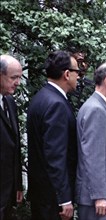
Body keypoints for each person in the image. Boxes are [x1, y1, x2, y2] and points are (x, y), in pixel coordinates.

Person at [27, 50, 80, 219]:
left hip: (42, 192)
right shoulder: (56, 104)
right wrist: (63, 198)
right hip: (52, 197)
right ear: (66, 74)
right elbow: (55, 155)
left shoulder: (40, 97)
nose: (79, 76)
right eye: (77, 72)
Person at [75, 62, 106, 220]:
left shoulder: (100, 107)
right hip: (96, 200)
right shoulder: (96, 109)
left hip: (100, 198)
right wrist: (99, 196)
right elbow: (93, 156)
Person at [0, 55, 23, 219]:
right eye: (14, 77)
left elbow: (14, 147)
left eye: (19, 77)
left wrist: (18, 185)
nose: (18, 83)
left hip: (7, 192)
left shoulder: (10, 102)